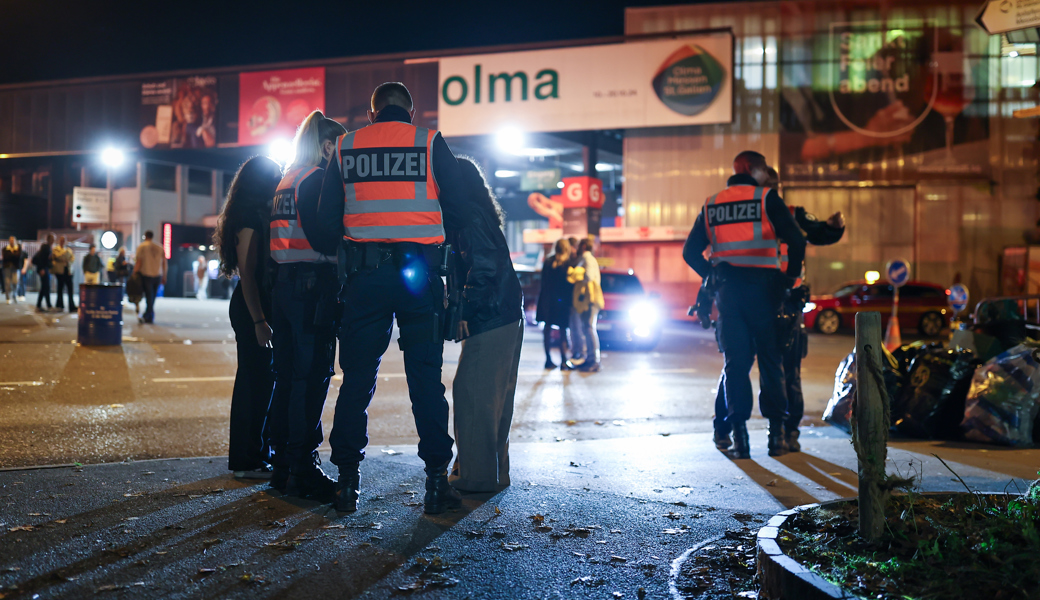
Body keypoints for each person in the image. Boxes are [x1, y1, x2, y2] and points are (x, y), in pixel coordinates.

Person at [306, 81, 471, 514]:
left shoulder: (346, 146)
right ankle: (436, 482)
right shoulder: (429, 142)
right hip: (420, 277)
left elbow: (325, 222)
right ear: (410, 113)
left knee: (357, 378)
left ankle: (346, 482)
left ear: (372, 114)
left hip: (365, 276)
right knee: (425, 380)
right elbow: (461, 209)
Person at [683, 151, 806, 459]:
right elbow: (797, 240)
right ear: (752, 169)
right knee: (770, 364)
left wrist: (714, 274)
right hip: (765, 292)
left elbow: (690, 252)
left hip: (730, 295)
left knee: (736, 366)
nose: (767, 174)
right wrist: (786, 280)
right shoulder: (766, 199)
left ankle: (740, 441)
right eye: (764, 169)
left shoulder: (712, 203)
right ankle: (776, 437)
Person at [266, 110, 345, 499]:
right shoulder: (315, 179)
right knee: (311, 378)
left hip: (284, 287)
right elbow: (323, 238)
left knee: (286, 377)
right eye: (341, 149)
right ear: (328, 146)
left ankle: (282, 464)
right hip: (310, 289)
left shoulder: (287, 179)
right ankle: (303, 467)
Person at [445, 157, 524, 493]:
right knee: (494, 401)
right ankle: (494, 473)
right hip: (505, 315)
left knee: (473, 395)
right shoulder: (481, 214)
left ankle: (475, 477)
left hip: (490, 316)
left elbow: (484, 269)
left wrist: (464, 310)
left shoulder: (470, 218)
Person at [214, 156, 283, 480]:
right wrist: (259, 321)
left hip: (255, 308)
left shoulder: (253, 213)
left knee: (260, 383)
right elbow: (248, 275)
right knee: (253, 385)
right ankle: (246, 459)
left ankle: (257, 454)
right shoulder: (249, 219)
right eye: (275, 176)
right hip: (251, 309)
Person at [565, 236, 604, 372]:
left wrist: (576, 273)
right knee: (587, 328)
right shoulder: (587, 258)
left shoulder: (587, 259)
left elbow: (588, 277)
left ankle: (594, 361)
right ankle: (590, 359)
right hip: (588, 300)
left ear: (582, 247)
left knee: (588, 328)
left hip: (589, 299)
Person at [535, 238, 574, 369]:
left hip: (547, 300)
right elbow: (569, 286)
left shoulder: (548, 261)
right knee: (563, 330)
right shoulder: (568, 263)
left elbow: (543, 282)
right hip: (562, 302)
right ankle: (564, 360)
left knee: (547, 330)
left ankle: (548, 360)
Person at [133, 231, 167, 324]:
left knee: (149, 295)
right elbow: (164, 262)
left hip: (147, 274)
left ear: (145, 236)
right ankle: (149, 314)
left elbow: (139, 261)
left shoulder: (142, 246)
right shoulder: (159, 247)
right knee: (153, 296)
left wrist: (134, 272)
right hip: (158, 274)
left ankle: (149, 314)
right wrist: (164, 275)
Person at [566, 236, 585, 360]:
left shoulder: (579, 260)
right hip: (570, 299)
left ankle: (580, 352)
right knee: (573, 328)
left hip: (577, 299)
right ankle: (575, 351)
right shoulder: (571, 260)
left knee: (578, 327)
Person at [51, 236, 76, 311]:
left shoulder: (68, 249)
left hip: (67, 270)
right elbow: (57, 256)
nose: (63, 242)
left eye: (64, 240)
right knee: (60, 288)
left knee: (70, 288)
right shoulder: (56, 249)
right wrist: (65, 256)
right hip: (60, 271)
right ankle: (59, 305)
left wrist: (68, 260)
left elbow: (72, 258)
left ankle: (71, 306)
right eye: (62, 240)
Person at [32, 234, 54, 312]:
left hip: (44, 269)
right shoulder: (46, 247)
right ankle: (47, 305)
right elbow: (42, 259)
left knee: (45, 287)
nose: (53, 241)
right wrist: (42, 269)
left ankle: (41, 305)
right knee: (46, 287)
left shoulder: (47, 247)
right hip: (43, 269)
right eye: (52, 239)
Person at [3, 237, 24, 304]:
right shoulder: (5, 249)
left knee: (15, 282)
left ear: (15, 241)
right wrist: (14, 255)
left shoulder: (18, 248)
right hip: (7, 267)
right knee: (7, 282)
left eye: (13, 240)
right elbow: (6, 257)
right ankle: (8, 298)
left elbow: (19, 256)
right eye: (10, 240)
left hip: (16, 267)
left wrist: (11, 255)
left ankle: (14, 295)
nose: (12, 241)